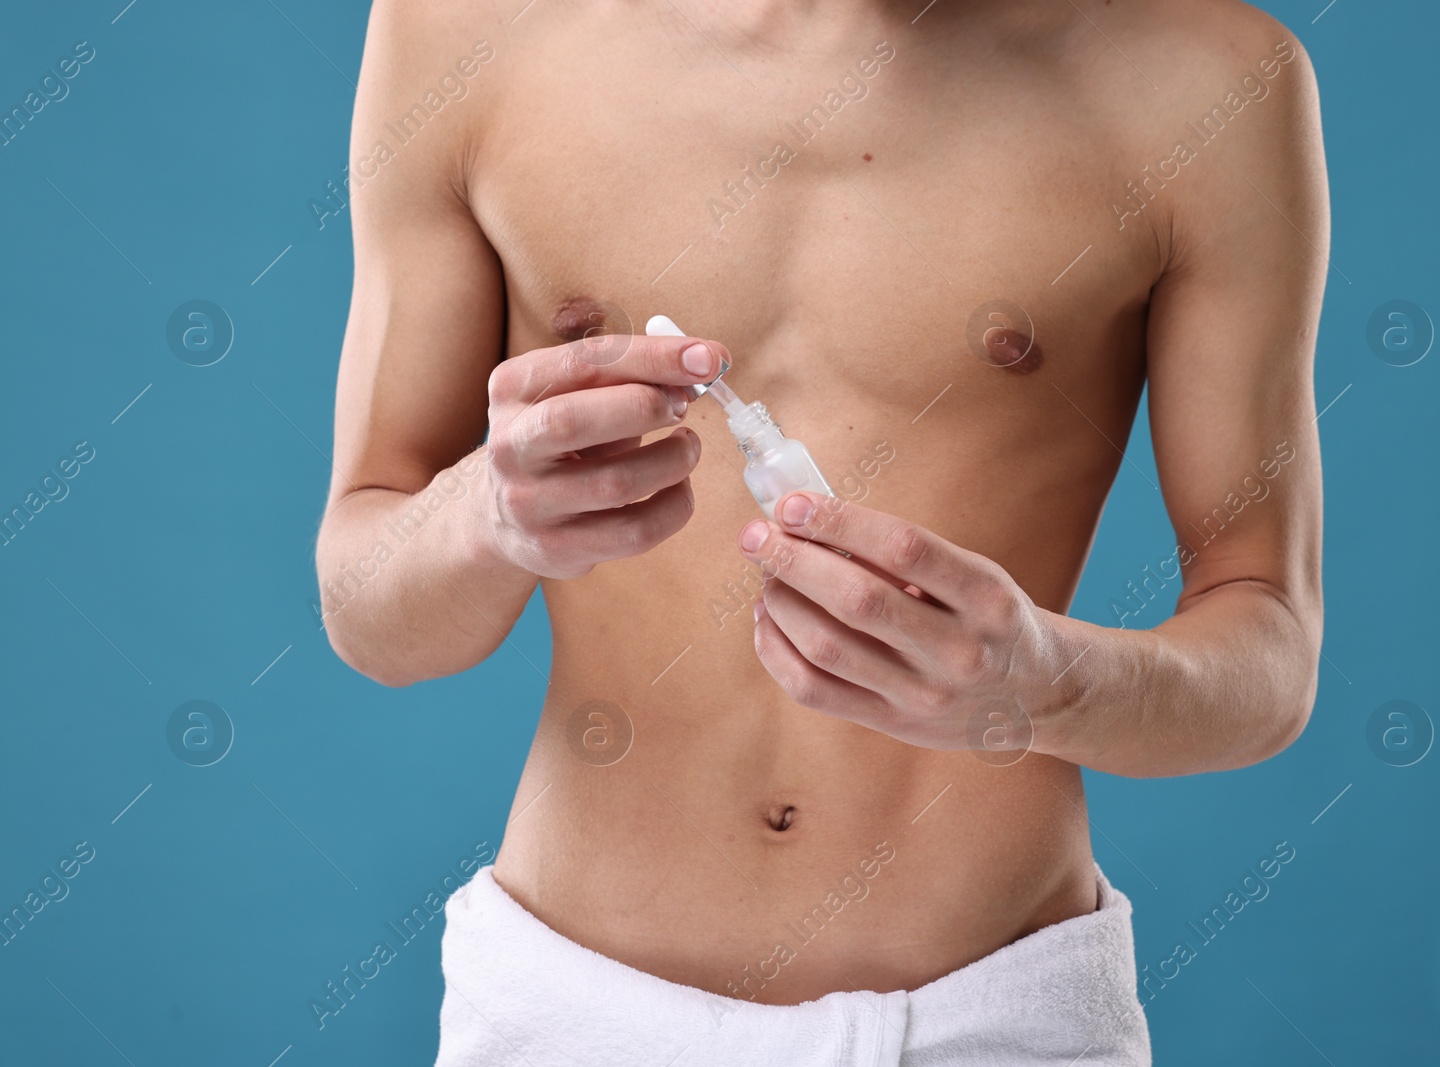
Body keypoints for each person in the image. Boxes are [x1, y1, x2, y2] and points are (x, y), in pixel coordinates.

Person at [316, 0, 1327, 1062]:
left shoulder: (1207, 80)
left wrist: (1050, 684)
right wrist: (485, 514)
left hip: (990, 1016)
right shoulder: (467, 29)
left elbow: (1267, 654)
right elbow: (369, 616)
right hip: (576, 1008)